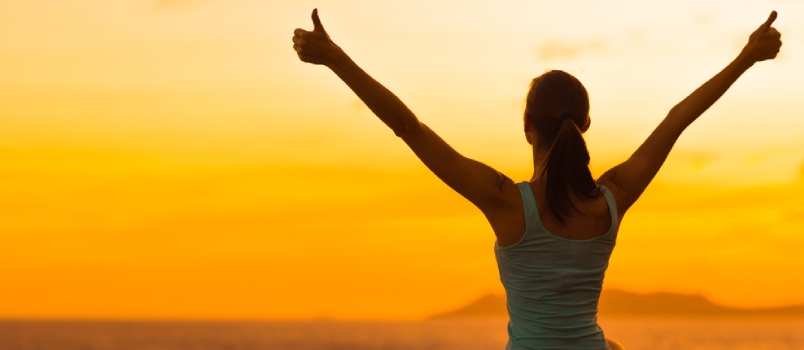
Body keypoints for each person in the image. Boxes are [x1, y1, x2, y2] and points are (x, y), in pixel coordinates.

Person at [292, 9, 782, 350]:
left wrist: (336, 59)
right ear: (585, 124)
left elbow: (408, 127)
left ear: (527, 126)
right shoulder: (612, 200)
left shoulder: (506, 202)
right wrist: (746, 57)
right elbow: (678, 119)